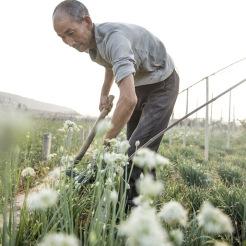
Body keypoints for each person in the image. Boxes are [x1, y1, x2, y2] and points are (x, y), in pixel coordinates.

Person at [53, 0, 179, 210]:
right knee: (137, 145)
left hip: (162, 85)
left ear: (86, 21)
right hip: (140, 83)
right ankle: (147, 200)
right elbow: (110, 64)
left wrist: (107, 140)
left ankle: (132, 212)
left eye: (70, 33)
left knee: (135, 150)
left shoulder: (115, 40)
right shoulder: (92, 44)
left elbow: (128, 100)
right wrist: (104, 92)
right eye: (62, 37)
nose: (69, 42)